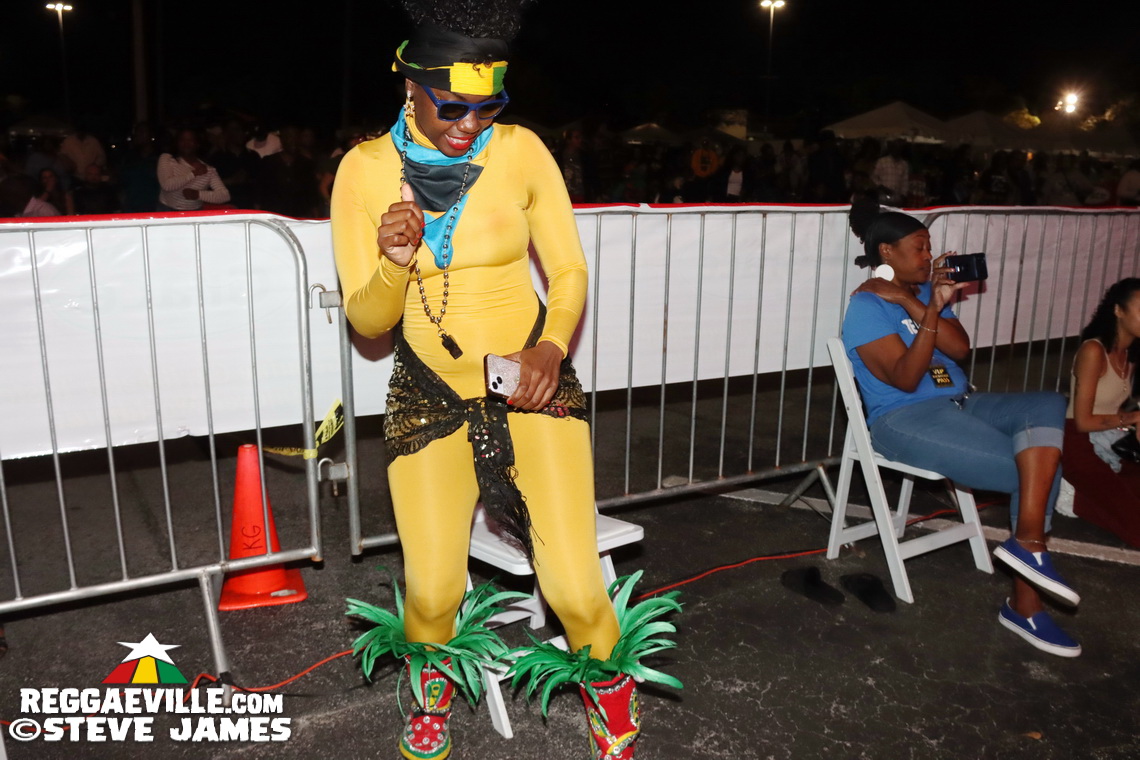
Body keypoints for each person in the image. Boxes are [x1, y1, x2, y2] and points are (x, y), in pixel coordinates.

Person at [331, 4, 678, 759]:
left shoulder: (520, 151)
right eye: (452, 106)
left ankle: (610, 698)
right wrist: (393, 262)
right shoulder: (362, 170)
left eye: (488, 106)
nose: (470, 124)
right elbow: (368, 324)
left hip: (530, 386)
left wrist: (551, 347)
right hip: (429, 394)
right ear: (409, 85)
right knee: (431, 591)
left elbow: (569, 268)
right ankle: (429, 697)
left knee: (574, 586)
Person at [842, 198, 1081, 658]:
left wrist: (923, 302)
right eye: (919, 247)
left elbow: (959, 350)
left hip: (962, 401)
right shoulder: (866, 307)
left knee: (1047, 404)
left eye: (929, 247)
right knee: (1033, 471)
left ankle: (1028, 544)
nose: (928, 257)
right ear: (887, 252)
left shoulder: (918, 294)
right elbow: (907, 378)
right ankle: (1026, 605)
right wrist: (920, 308)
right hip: (905, 418)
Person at [1062, 279, 1140, 547]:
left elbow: (1113, 409)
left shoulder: (1129, 354)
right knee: (1132, 517)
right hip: (1078, 441)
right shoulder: (1094, 350)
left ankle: (1079, 497)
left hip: (1109, 438)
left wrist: (1131, 424)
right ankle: (1069, 495)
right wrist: (1132, 418)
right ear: (1118, 310)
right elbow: (1083, 421)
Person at [156, 128, 230, 212]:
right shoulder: (166, 158)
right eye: (182, 140)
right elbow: (167, 185)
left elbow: (224, 196)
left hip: (194, 212)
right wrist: (193, 174)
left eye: (190, 140)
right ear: (177, 143)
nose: (186, 143)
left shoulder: (208, 170)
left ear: (197, 144)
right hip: (167, 210)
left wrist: (198, 194)